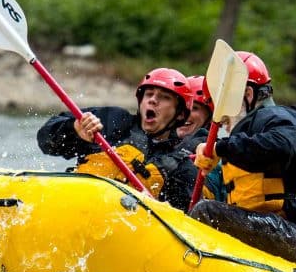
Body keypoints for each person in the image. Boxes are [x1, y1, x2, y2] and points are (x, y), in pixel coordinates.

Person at [190, 51, 296, 271]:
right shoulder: (261, 126)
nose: (218, 114)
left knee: (207, 213)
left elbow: (281, 146)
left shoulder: (279, 118)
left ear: (248, 94)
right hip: (287, 234)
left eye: (220, 103)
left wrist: (221, 148)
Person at [36, 67, 199, 210]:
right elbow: (45, 142)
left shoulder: (181, 166)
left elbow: (182, 221)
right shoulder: (112, 121)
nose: (153, 100)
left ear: (181, 114)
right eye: (149, 94)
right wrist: (74, 130)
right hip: (76, 205)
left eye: (165, 97)